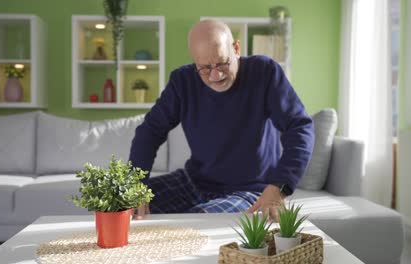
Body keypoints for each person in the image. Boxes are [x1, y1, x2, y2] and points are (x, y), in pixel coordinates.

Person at [129, 19, 314, 221]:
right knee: (122, 203)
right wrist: (136, 183)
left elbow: (299, 127)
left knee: (197, 222)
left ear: (236, 48)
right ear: (195, 62)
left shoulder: (265, 72)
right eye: (205, 68)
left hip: (250, 191)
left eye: (222, 63)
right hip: (194, 182)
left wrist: (280, 187)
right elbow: (150, 131)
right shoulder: (182, 81)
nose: (215, 75)